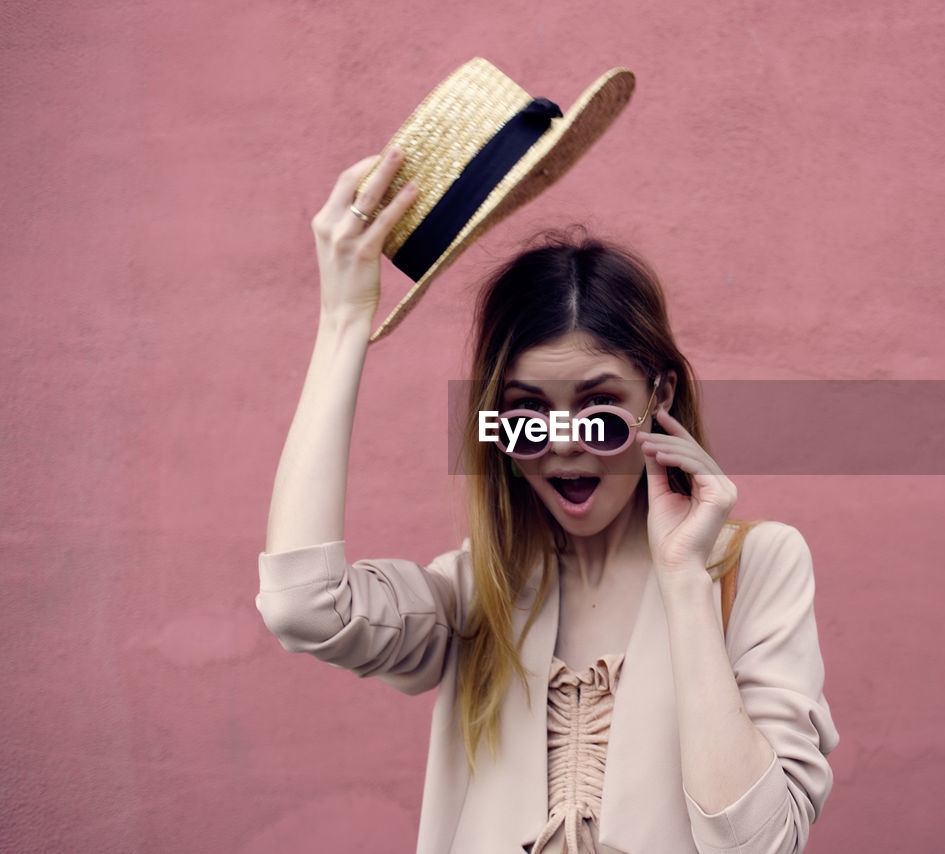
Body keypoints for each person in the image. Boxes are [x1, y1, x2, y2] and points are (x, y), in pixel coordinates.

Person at [256, 147, 839, 853]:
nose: (565, 447)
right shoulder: (481, 593)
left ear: (660, 394)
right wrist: (344, 323)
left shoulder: (758, 566)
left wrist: (685, 581)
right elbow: (302, 606)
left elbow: (761, 843)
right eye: (528, 417)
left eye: (599, 412)